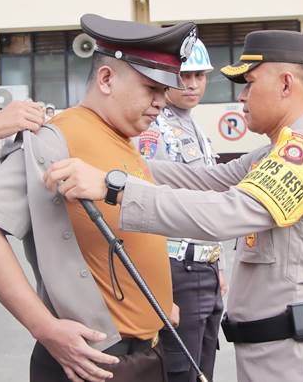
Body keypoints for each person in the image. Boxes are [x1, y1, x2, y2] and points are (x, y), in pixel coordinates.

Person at [45, 30, 303, 382]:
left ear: (286, 84)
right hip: (274, 352)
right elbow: (205, 180)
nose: (241, 96)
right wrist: (109, 160)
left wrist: (113, 187)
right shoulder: (273, 154)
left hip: (300, 361)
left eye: (250, 83)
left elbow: (224, 214)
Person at [0, 13, 198, 382]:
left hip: (145, 350)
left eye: (164, 93)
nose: (160, 104)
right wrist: (43, 327)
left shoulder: (121, 138)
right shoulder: (57, 138)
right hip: (94, 358)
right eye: (151, 89)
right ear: (106, 78)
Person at [132, 38, 225, 382]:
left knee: (203, 363)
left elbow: (207, 199)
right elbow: (147, 206)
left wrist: (219, 263)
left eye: (200, 76)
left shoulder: (195, 126)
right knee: (180, 367)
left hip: (205, 264)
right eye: (184, 75)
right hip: (176, 266)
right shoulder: (154, 129)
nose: (192, 84)